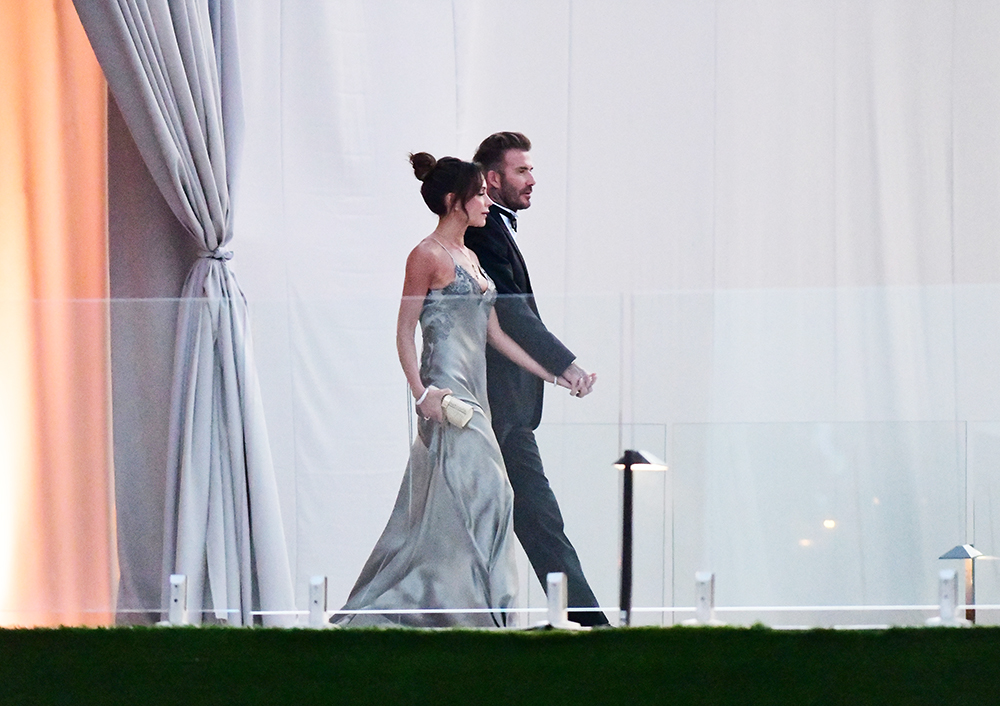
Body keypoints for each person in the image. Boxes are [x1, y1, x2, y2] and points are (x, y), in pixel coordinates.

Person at [333, 153, 578, 627]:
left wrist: (551, 374)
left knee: (474, 500)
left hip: (477, 395)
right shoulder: (426, 255)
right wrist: (421, 392)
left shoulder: (471, 256)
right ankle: (481, 614)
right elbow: (405, 330)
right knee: (494, 492)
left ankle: (472, 610)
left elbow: (495, 335)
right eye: (480, 194)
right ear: (454, 201)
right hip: (448, 395)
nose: (487, 200)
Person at [465, 132, 609, 627]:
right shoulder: (482, 232)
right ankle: (591, 627)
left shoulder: (495, 229)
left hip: (503, 403)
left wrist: (551, 371)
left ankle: (580, 622)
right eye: (522, 170)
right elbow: (511, 315)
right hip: (494, 404)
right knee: (539, 518)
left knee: (525, 519)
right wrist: (563, 365)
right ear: (492, 178)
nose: (531, 180)